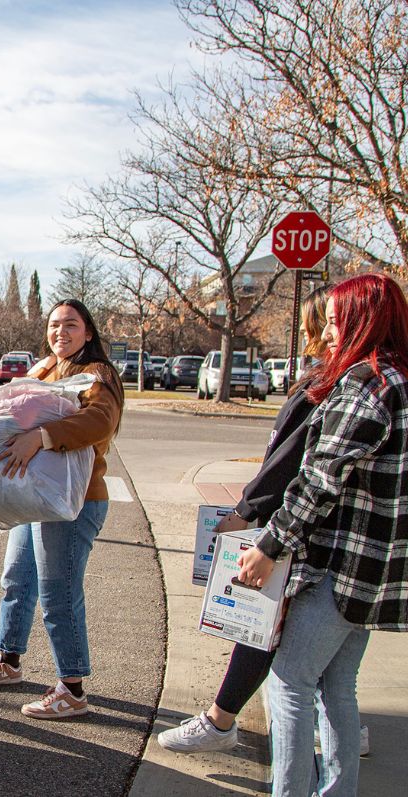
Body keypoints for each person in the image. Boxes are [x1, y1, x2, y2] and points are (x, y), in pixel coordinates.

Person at [237, 273, 408, 797]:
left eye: (336, 321)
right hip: (378, 574)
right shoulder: (400, 383)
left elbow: (319, 481)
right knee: (337, 687)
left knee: (289, 684)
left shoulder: (368, 385)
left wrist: (269, 547)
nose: (328, 332)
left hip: (341, 567)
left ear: (364, 322)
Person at [159, 286, 335, 754]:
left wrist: (246, 513)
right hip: (310, 534)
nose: (310, 330)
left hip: (294, 533)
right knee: (301, 641)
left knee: (261, 623)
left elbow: (290, 462)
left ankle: (222, 721)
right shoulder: (339, 379)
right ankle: (333, 721)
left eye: (322, 321)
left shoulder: (330, 384)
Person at [0, 299, 124, 719]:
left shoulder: (98, 375)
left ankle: (72, 689)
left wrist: (42, 437)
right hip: (33, 496)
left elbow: (100, 423)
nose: (61, 332)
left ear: (88, 332)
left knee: (59, 592)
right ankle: (9, 662)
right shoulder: (42, 369)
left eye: (71, 325)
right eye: (54, 325)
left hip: (74, 501)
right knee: (16, 579)